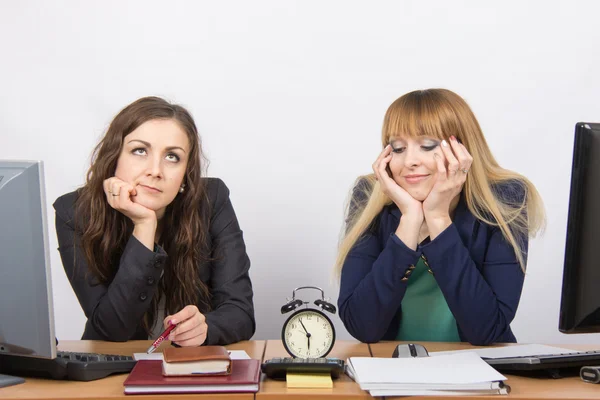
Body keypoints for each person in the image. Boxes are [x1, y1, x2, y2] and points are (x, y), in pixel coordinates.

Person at [335, 89, 545, 345]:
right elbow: (362, 326)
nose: (409, 161)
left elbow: (486, 330)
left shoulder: (506, 199)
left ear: (462, 151)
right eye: (398, 148)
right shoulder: (368, 195)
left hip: (479, 368)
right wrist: (410, 220)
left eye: (427, 146)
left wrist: (437, 217)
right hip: (391, 367)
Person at [53, 96, 255, 346]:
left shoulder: (211, 200)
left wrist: (206, 328)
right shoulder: (74, 212)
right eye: (140, 151)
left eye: (172, 157)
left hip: (189, 366)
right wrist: (144, 225)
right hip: (112, 373)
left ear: (185, 174)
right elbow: (111, 330)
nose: (155, 170)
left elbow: (240, 312)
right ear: (115, 156)